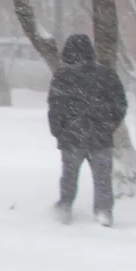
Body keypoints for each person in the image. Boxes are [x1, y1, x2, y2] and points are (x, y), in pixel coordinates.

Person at [47, 33, 129, 225]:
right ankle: (104, 213)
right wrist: (108, 126)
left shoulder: (62, 77)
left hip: (71, 136)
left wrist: (58, 130)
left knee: (69, 175)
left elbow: (56, 106)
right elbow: (120, 104)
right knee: (102, 178)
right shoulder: (106, 75)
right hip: (100, 136)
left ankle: (65, 208)